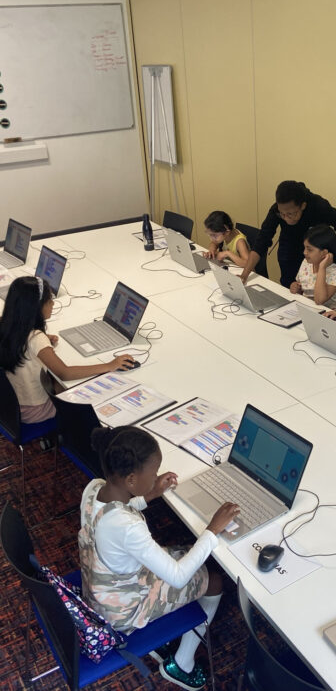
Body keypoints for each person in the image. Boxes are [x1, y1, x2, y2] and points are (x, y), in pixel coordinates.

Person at [79, 425, 239, 690]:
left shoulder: (94, 488)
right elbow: (178, 577)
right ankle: (182, 664)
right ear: (131, 479)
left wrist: (150, 493)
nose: (156, 476)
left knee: (182, 550)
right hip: (121, 612)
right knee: (214, 580)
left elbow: (117, 512)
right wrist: (213, 529)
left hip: (99, 591)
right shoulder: (128, 527)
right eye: (153, 473)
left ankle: (164, 640)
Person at [0, 276, 134, 424]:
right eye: (49, 300)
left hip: (12, 406)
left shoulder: (6, 324)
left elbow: (22, 341)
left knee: (58, 384)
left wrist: (42, 343)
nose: (53, 303)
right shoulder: (36, 338)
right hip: (36, 411)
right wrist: (110, 365)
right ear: (36, 307)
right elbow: (64, 373)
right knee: (85, 397)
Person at [240, 180, 336, 288]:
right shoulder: (277, 210)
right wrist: (244, 275)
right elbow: (261, 241)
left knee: (315, 292)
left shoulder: (318, 206)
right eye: (282, 214)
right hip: (288, 250)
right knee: (290, 287)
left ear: (303, 206)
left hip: (316, 254)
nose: (286, 218)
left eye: (290, 214)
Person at [290, 225, 336, 310]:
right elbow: (302, 286)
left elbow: (319, 300)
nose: (304, 252)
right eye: (305, 248)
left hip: (327, 314)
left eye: (309, 249)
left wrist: (322, 267)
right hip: (306, 308)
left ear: (324, 253)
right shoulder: (306, 262)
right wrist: (296, 287)